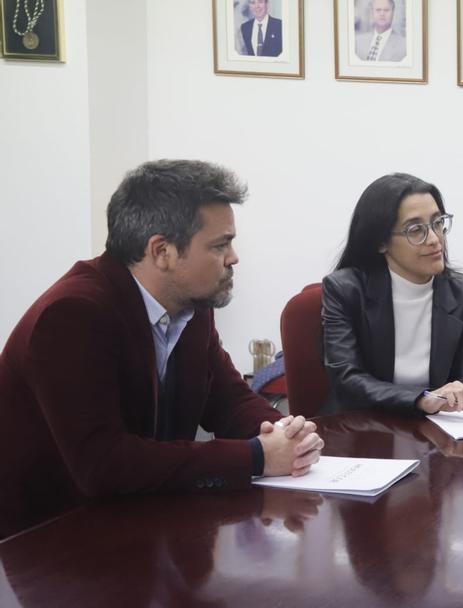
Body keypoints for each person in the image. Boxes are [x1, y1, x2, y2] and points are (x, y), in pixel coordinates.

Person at [0, 159, 323, 539]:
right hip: (50, 542)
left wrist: (283, 432)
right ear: (162, 251)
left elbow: (227, 398)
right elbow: (103, 463)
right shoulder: (73, 315)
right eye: (221, 244)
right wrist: (255, 457)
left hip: (141, 518)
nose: (233, 257)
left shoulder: (191, 304)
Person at [321, 173, 463, 416]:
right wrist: (420, 399)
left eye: (438, 222)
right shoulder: (345, 290)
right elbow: (347, 380)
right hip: (362, 424)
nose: (434, 239)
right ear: (381, 242)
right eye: (415, 229)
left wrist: (461, 392)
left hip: (437, 428)